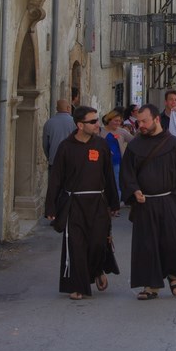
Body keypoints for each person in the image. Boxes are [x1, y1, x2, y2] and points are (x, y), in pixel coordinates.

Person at [119, 103, 176, 300]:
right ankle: (151, 285)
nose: (140, 125)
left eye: (144, 121)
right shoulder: (134, 146)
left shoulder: (174, 145)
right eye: (138, 121)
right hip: (145, 204)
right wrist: (134, 190)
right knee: (146, 245)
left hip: (169, 200)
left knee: (173, 241)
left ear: (156, 120)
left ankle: (174, 275)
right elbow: (127, 174)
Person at [45, 105, 120, 300]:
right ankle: (78, 285)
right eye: (93, 121)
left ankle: (96, 271)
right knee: (76, 244)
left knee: (97, 243)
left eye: (97, 120)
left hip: (97, 202)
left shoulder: (101, 145)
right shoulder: (66, 147)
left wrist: (114, 202)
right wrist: (51, 206)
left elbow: (108, 176)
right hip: (74, 203)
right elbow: (56, 178)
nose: (97, 124)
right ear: (80, 125)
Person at [42, 99, 74, 171]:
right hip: (70, 161)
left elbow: (45, 145)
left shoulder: (48, 123)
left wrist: (49, 157)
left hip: (54, 160)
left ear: (56, 109)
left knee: (54, 182)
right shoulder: (74, 123)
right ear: (68, 108)